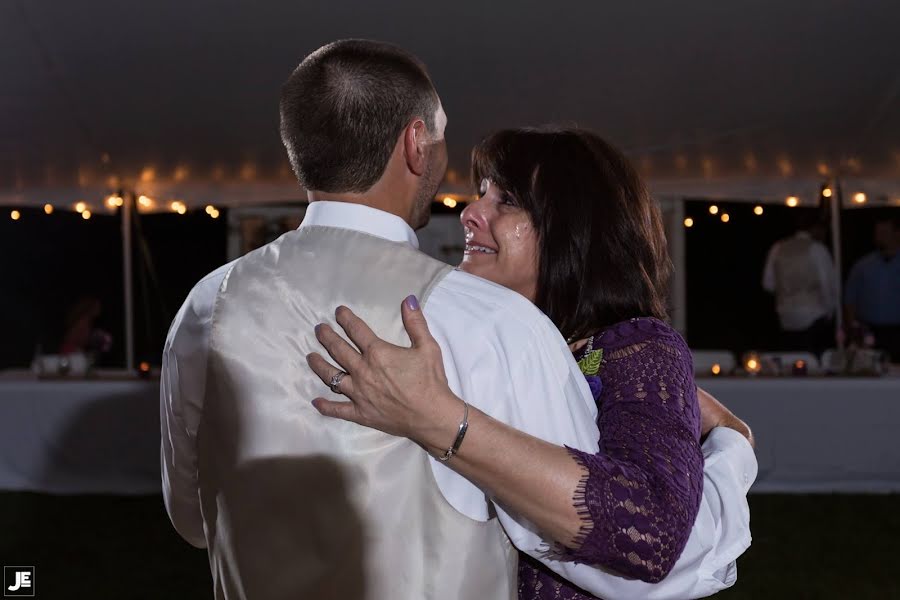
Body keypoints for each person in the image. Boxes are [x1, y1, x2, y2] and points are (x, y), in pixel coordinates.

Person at [161, 41, 755, 600]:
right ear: (417, 143)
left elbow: (193, 515)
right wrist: (733, 450)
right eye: (477, 186)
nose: (470, 211)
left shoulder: (208, 303)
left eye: (504, 199)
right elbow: (634, 558)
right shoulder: (489, 322)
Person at [308, 128, 756, 599]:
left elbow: (650, 530)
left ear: (574, 231)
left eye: (508, 201)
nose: (471, 213)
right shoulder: (501, 340)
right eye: (482, 195)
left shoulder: (636, 347)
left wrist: (733, 443)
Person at [761, 213, 837, 356]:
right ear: (816, 228)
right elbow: (828, 286)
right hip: (814, 317)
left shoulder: (778, 248)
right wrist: (830, 313)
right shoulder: (818, 249)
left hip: (786, 317)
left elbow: (768, 284)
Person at [845, 215, 900, 362]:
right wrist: (853, 329)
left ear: (896, 233)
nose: (879, 237)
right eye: (877, 233)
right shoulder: (863, 266)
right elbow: (850, 298)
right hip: (870, 332)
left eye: (884, 233)